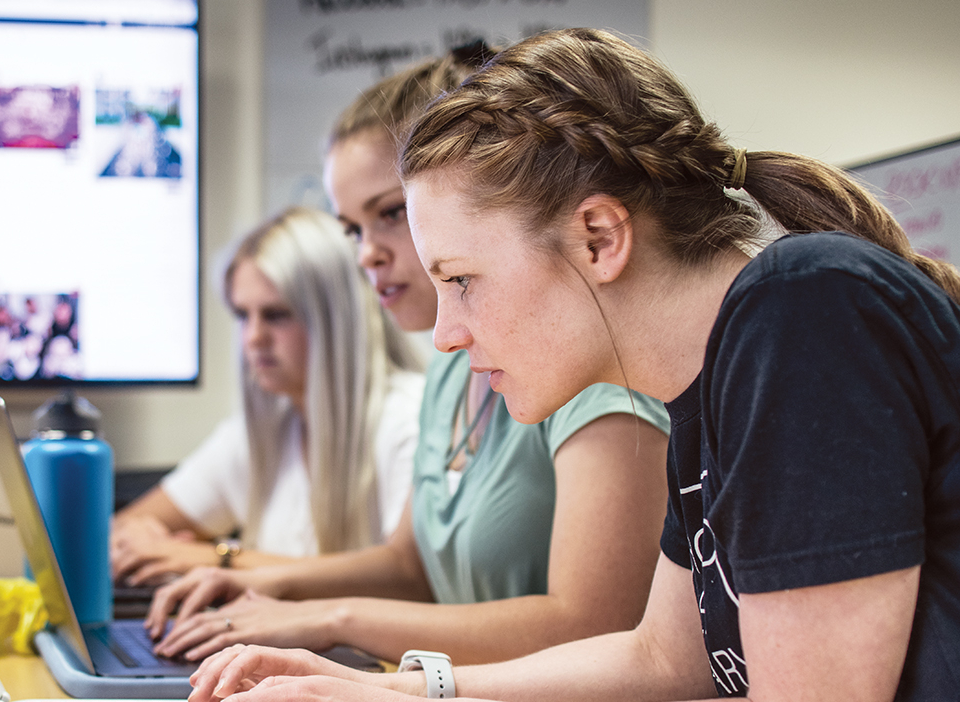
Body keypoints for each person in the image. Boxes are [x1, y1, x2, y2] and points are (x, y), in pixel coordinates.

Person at [186, 27, 960, 702]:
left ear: (598, 237)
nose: (446, 335)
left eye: (460, 280)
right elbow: (658, 660)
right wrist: (388, 685)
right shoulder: (709, 385)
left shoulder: (803, 311)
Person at [141, 43, 673, 667]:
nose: (367, 254)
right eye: (352, 229)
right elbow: (409, 566)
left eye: (392, 213)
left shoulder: (592, 375)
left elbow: (594, 627)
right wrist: (272, 590)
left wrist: (328, 616)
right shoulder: (452, 361)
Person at [112, 207, 426, 581]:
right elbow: (121, 532)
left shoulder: (410, 418)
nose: (253, 338)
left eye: (277, 315)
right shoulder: (266, 429)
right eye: (243, 315)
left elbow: (402, 580)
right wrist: (146, 541)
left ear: (335, 318)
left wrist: (216, 559)